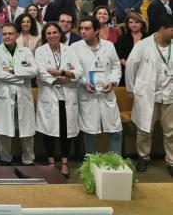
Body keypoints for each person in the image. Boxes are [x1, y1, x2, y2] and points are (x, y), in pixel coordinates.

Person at [126, 14, 173, 176]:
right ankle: (143, 158)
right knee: (144, 130)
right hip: (147, 95)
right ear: (162, 29)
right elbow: (131, 67)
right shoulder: (143, 45)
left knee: (171, 131)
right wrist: (131, 89)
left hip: (169, 96)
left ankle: (171, 161)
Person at [35, 21, 83, 178]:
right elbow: (42, 72)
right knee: (48, 131)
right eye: (48, 33)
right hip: (49, 95)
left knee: (65, 131)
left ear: (60, 34)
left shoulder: (69, 50)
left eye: (54, 32)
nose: (52, 35)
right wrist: (59, 78)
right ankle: (50, 163)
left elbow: (79, 71)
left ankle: (64, 163)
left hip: (67, 96)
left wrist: (58, 72)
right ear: (45, 36)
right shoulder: (40, 51)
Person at [71, 17, 123, 155]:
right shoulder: (74, 48)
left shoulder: (109, 46)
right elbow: (73, 71)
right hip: (87, 94)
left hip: (107, 93)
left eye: (87, 28)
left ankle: (115, 163)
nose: (83, 31)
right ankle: (92, 164)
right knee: (90, 132)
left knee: (115, 130)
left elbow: (116, 67)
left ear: (97, 30)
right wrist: (83, 83)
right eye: (81, 28)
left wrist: (112, 82)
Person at [0, 22, 39, 166]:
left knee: (27, 130)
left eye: (10, 33)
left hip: (23, 96)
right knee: (4, 130)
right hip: (3, 96)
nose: (7, 36)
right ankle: (5, 158)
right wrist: (22, 76)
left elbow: (34, 71)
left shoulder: (26, 51)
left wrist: (12, 71)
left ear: (16, 35)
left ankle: (29, 159)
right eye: (4, 34)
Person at [115, 13, 147, 86]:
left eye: (137, 22)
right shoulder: (122, 38)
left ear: (142, 24)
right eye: (131, 22)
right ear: (127, 24)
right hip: (126, 71)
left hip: (145, 71)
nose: (134, 25)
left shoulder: (148, 38)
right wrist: (130, 67)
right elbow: (120, 57)